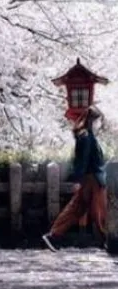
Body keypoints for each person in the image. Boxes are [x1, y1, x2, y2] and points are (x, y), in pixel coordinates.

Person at [42, 106, 107, 252]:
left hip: (91, 177)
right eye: (98, 121)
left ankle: (54, 235)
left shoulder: (86, 136)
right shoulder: (87, 137)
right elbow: (82, 160)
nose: (99, 125)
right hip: (93, 179)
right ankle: (108, 240)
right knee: (99, 210)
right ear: (92, 121)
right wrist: (78, 180)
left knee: (77, 209)